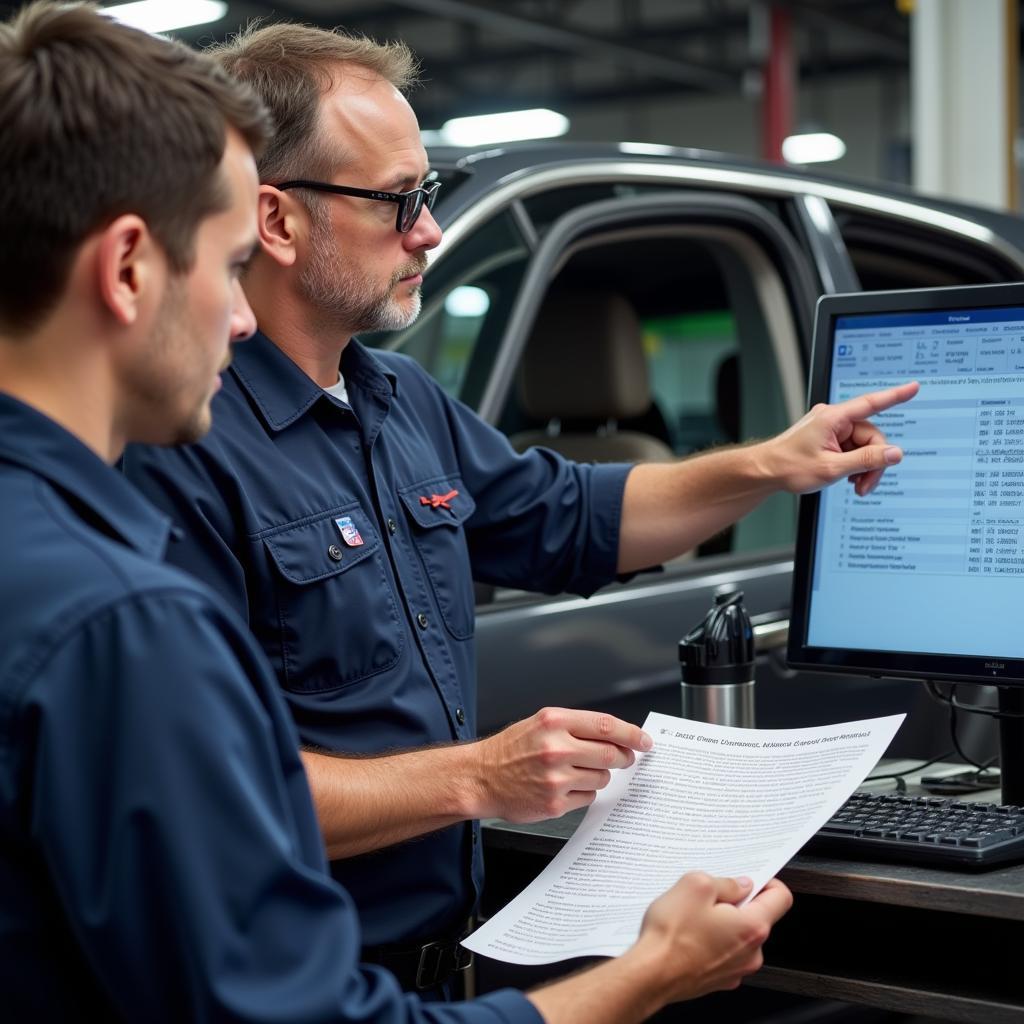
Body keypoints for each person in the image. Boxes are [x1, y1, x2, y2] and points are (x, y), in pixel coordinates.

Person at [0, 3, 796, 1021]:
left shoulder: (396, 401)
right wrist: (644, 976)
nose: (237, 313)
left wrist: (775, 463)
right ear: (128, 268)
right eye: (221, 259)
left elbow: (564, 513)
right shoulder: (122, 611)